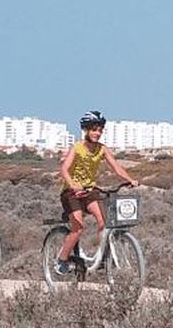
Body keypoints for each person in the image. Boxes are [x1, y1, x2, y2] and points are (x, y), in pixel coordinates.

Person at [52, 111, 139, 272]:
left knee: (103, 222)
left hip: (90, 191)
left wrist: (129, 180)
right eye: (93, 130)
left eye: (100, 130)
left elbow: (116, 167)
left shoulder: (102, 149)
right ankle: (62, 259)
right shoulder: (77, 148)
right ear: (86, 130)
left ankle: (104, 256)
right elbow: (64, 169)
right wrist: (72, 184)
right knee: (78, 228)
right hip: (71, 193)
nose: (97, 133)